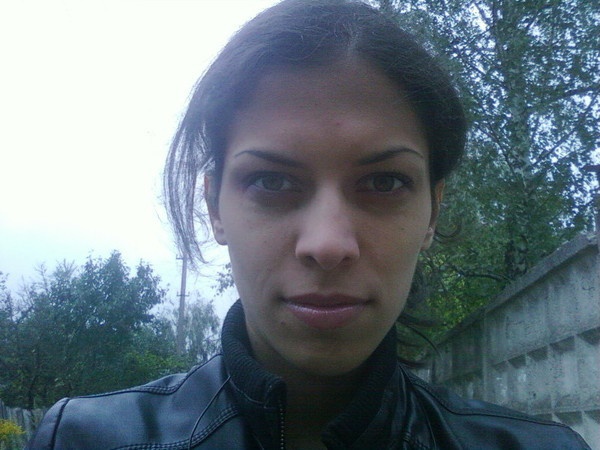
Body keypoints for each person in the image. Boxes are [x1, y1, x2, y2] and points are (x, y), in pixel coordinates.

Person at [28, 1, 590, 449]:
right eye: (272, 181)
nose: (327, 245)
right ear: (215, 207)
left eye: (384, 182)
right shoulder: (82, 439)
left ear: (432, 213)